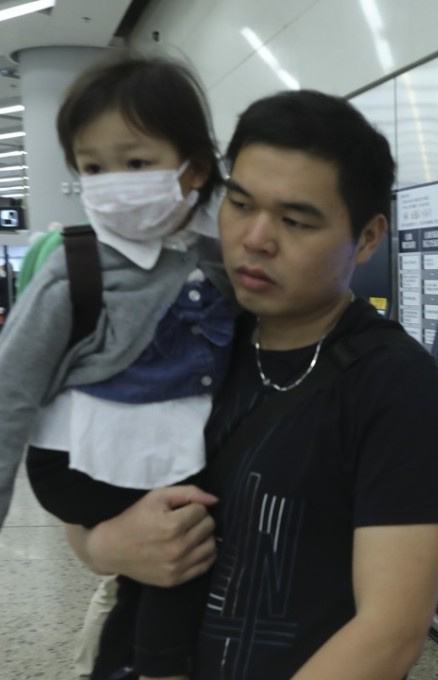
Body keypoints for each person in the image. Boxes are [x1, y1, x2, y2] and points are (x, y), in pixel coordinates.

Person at [74, 89, 438, 679]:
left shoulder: (395, 388)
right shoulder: (183, 333)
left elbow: (389, 632)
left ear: (366, 237)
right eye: (240, 204)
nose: (255, 239)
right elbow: (79, 500)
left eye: (294, 220)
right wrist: (108, 546)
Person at [0, 52, 233, 680]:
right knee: (181, 544)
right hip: (88, 459)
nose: (111, 182)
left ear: (195, 170)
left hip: (163, 451)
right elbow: (9, 391)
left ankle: (138, 659)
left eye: (135, 163)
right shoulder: (73, 268)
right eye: (93, 167)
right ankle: (153, 666)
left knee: (167, 564)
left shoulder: (217, 260)